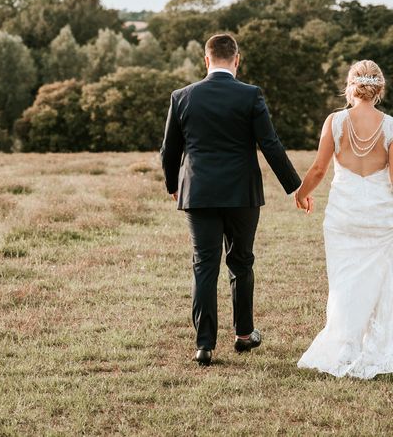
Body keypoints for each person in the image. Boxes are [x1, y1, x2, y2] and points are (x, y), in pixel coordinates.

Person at [160, 33, 305, 366]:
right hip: (242, 194)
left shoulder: (182, 96)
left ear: (206, 60)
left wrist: (173, 185)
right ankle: (243, 334)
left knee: (204, 266)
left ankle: (204, 345)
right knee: (241, 261)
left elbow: (170, 149)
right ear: (236, 60)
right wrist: (295, 187)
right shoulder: (250, 95)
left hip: (198, 193)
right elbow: (271, 144)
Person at [296, 59, 393, 378]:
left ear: (350, 85)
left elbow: (319, 169)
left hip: (344, 213)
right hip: (381, 213)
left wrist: (301, 192)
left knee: (343, 280)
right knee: (381, 281)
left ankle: (344, 343)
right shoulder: (390, 126)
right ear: (379, 88)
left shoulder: (335, 121)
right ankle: (373, 345)